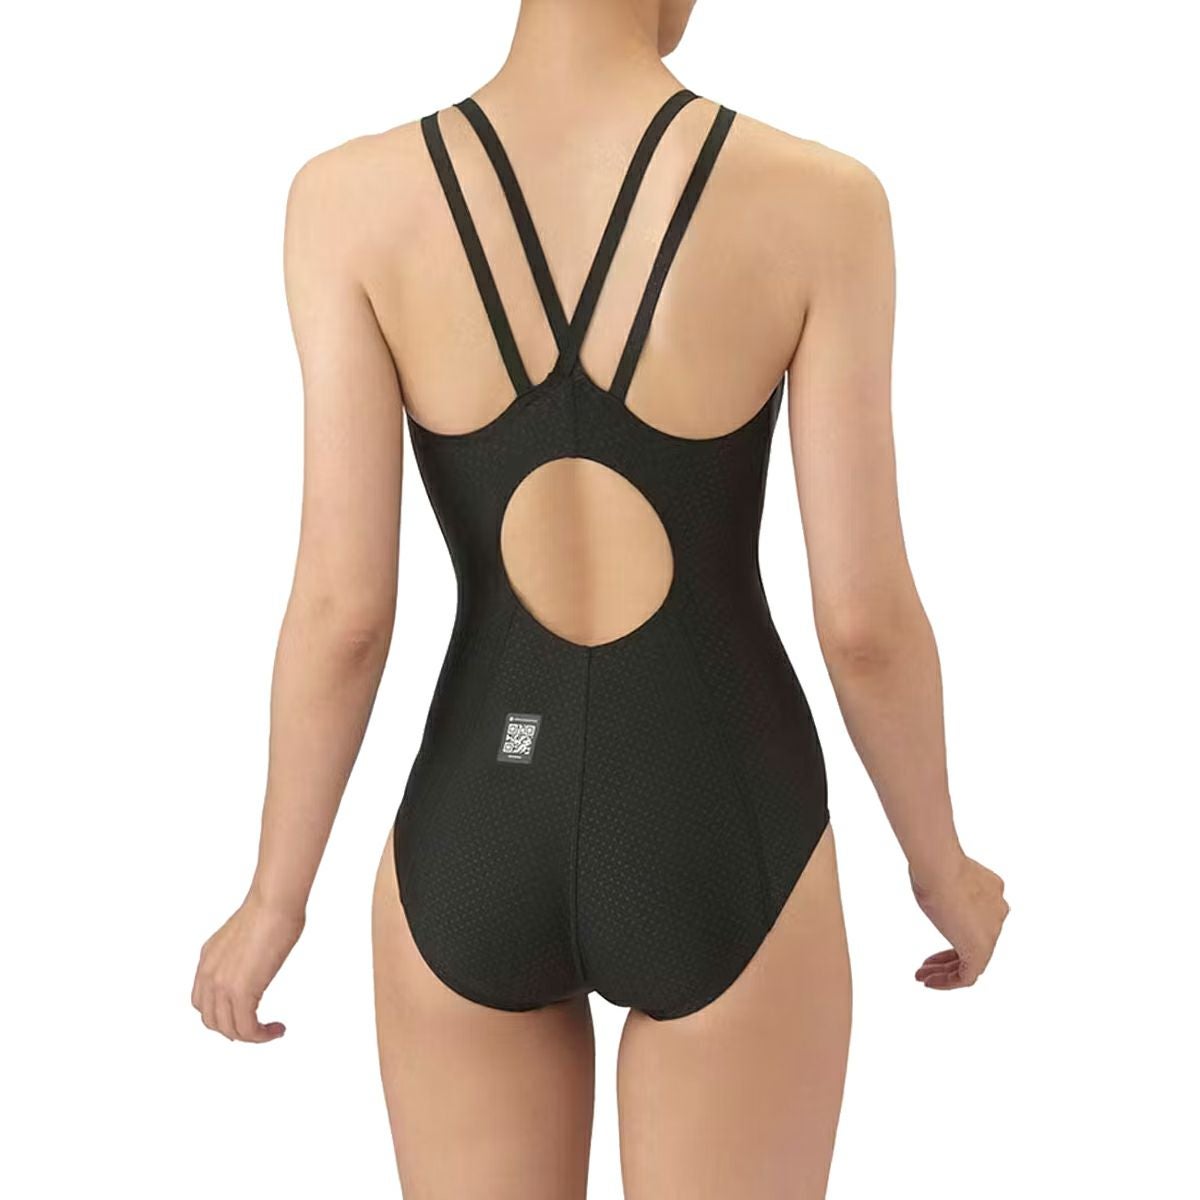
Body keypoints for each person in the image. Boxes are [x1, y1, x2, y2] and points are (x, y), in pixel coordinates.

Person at [191, 1, 1009, 1195]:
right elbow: (864, 624)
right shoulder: (823, 202)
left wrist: (275, 897)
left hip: (474, 818)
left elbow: (343, 612)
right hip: (720, 820)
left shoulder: (347, 202)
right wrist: (943, 868)